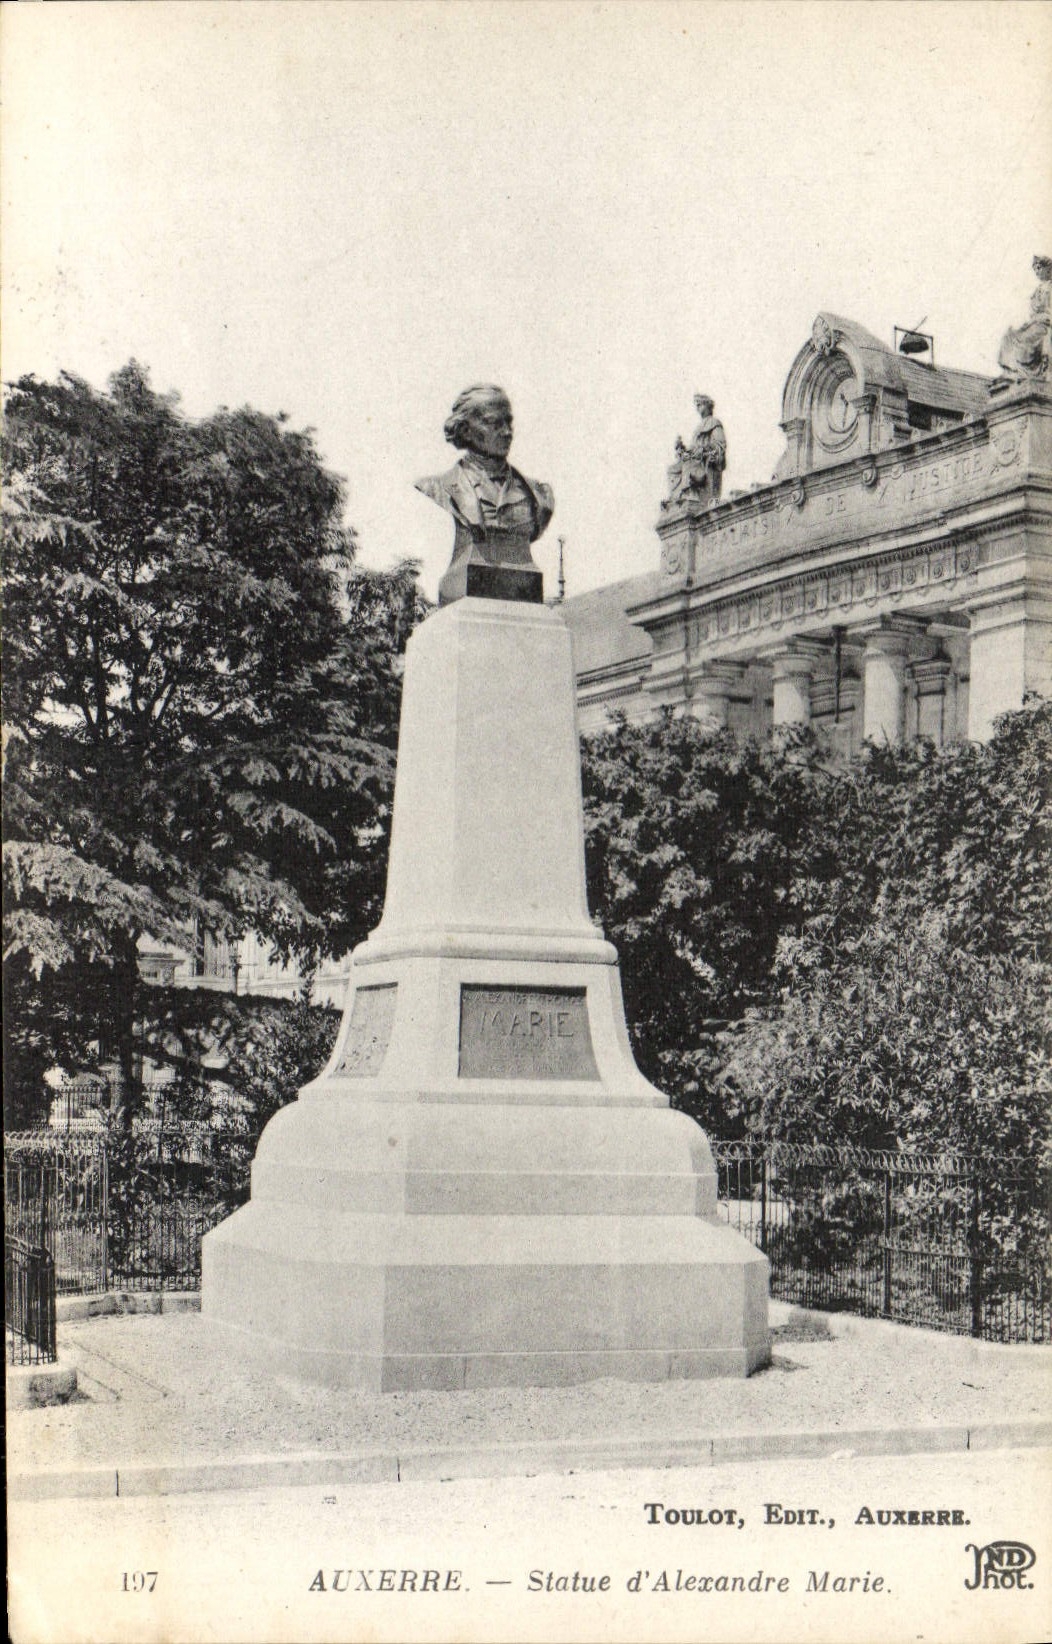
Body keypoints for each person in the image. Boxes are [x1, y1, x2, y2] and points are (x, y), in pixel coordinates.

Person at [416, 385, 554, 604]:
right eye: (493, 423)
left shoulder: (539, 496)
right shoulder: (441, 486)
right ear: (465, 431)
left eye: (508, 422)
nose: (507, 432)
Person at [663, 393, 727, 509]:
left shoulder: (714, 423)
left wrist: (704, 450)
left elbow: (720, 445)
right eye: (697, 406)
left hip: (704, 461)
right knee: (673, 469)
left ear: (708, 406)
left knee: (689, 465)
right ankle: (677, 498)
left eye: (700, 405)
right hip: (696, 458)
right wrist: (682, 450)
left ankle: (692, 495)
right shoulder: (698, 427)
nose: (698, 408)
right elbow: (693, 449)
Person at [997, 255, 1051, 381]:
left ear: (1048, 269)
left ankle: (1023, 373)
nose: (1037, 272)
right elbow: (1033, 313)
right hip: (1035, 323)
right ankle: (1011, 372)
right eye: (1035, 270)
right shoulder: (1038, 290)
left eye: (1039, 268)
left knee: (1024, 341)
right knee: (1009, 336)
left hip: (1045, 326)